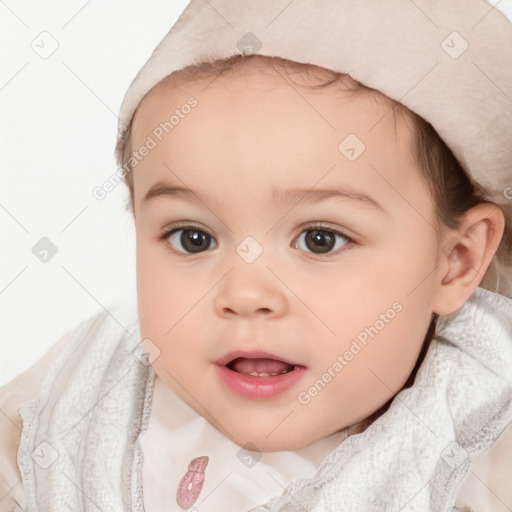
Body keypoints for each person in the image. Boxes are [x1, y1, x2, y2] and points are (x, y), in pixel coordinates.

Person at [1, 1, 512, 511]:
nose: (245, 294)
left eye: (320, 239)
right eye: (192, 238)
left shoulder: (481, 455)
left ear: (457, 260)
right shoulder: (79, 397)